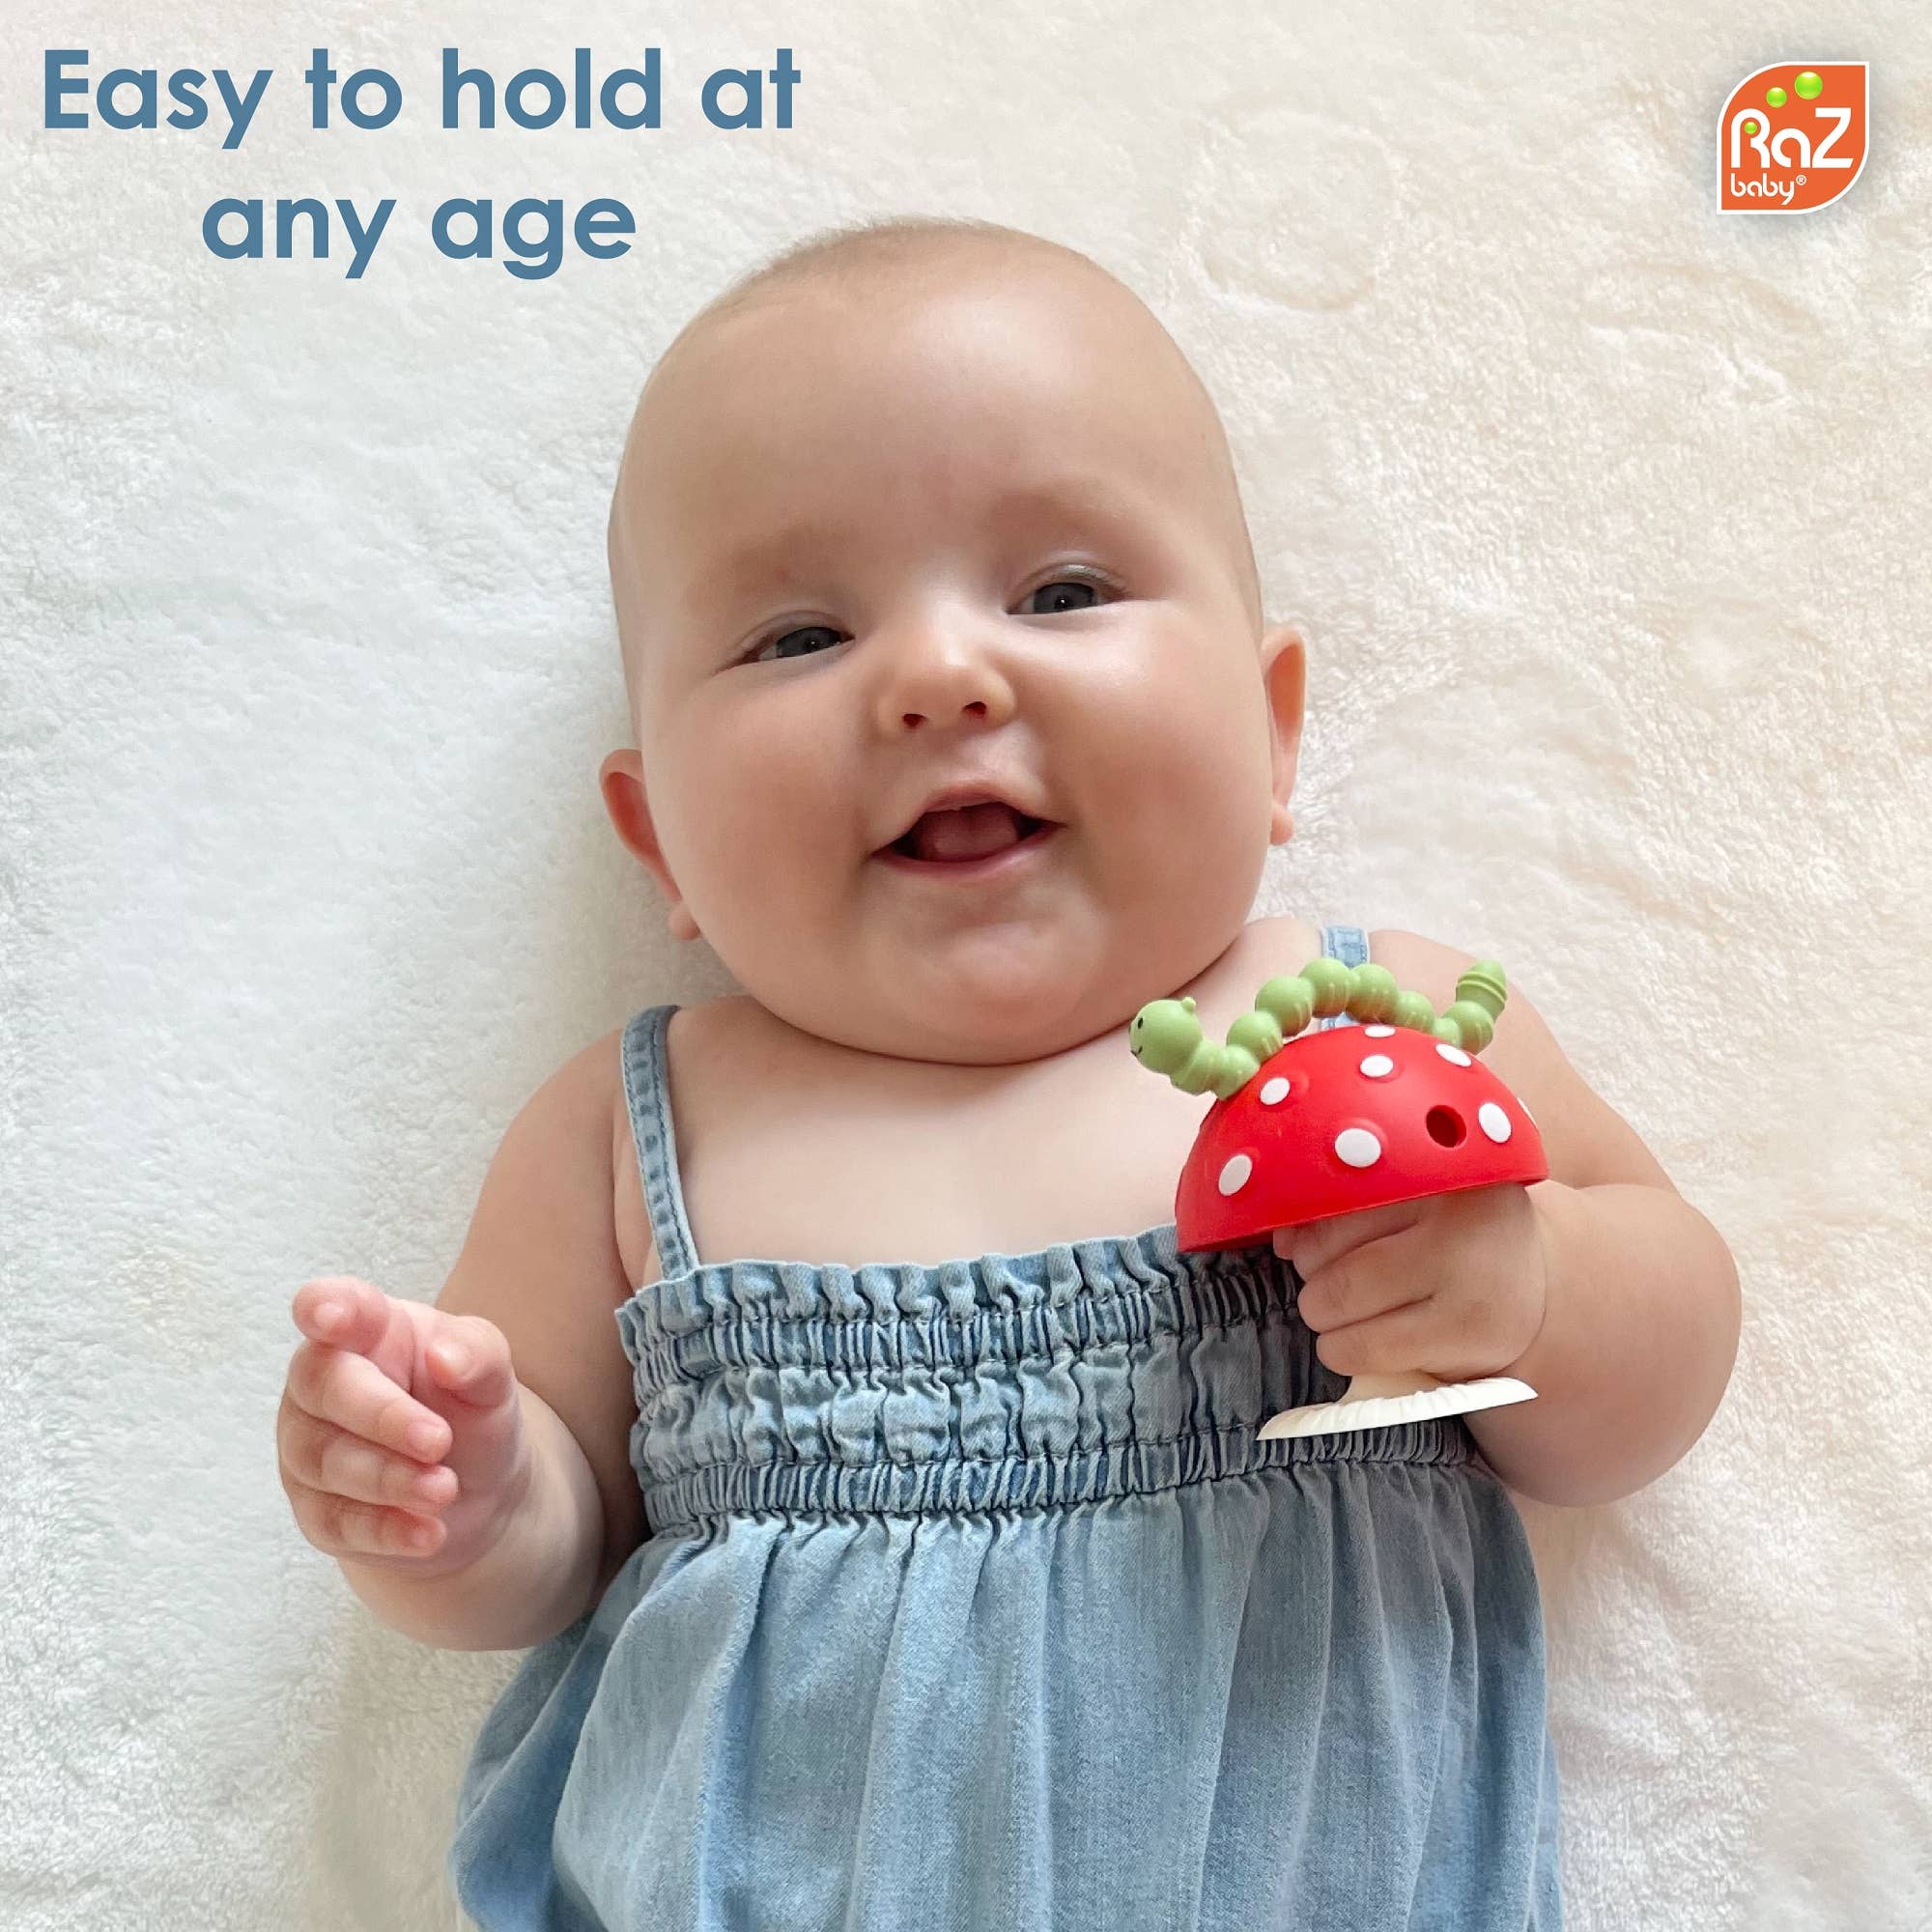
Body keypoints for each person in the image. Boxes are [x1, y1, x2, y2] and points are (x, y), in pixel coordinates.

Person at [275, 215, 1742, 1930]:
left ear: (1271, 729)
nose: (938, 679)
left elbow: (1664, 1361)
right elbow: (550, 1560)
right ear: (658, 835)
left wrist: (1532, 1290)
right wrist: (462, 1496)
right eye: (799, 636)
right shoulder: (630, 1124)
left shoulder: (1369, 1023)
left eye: (1060, 593)